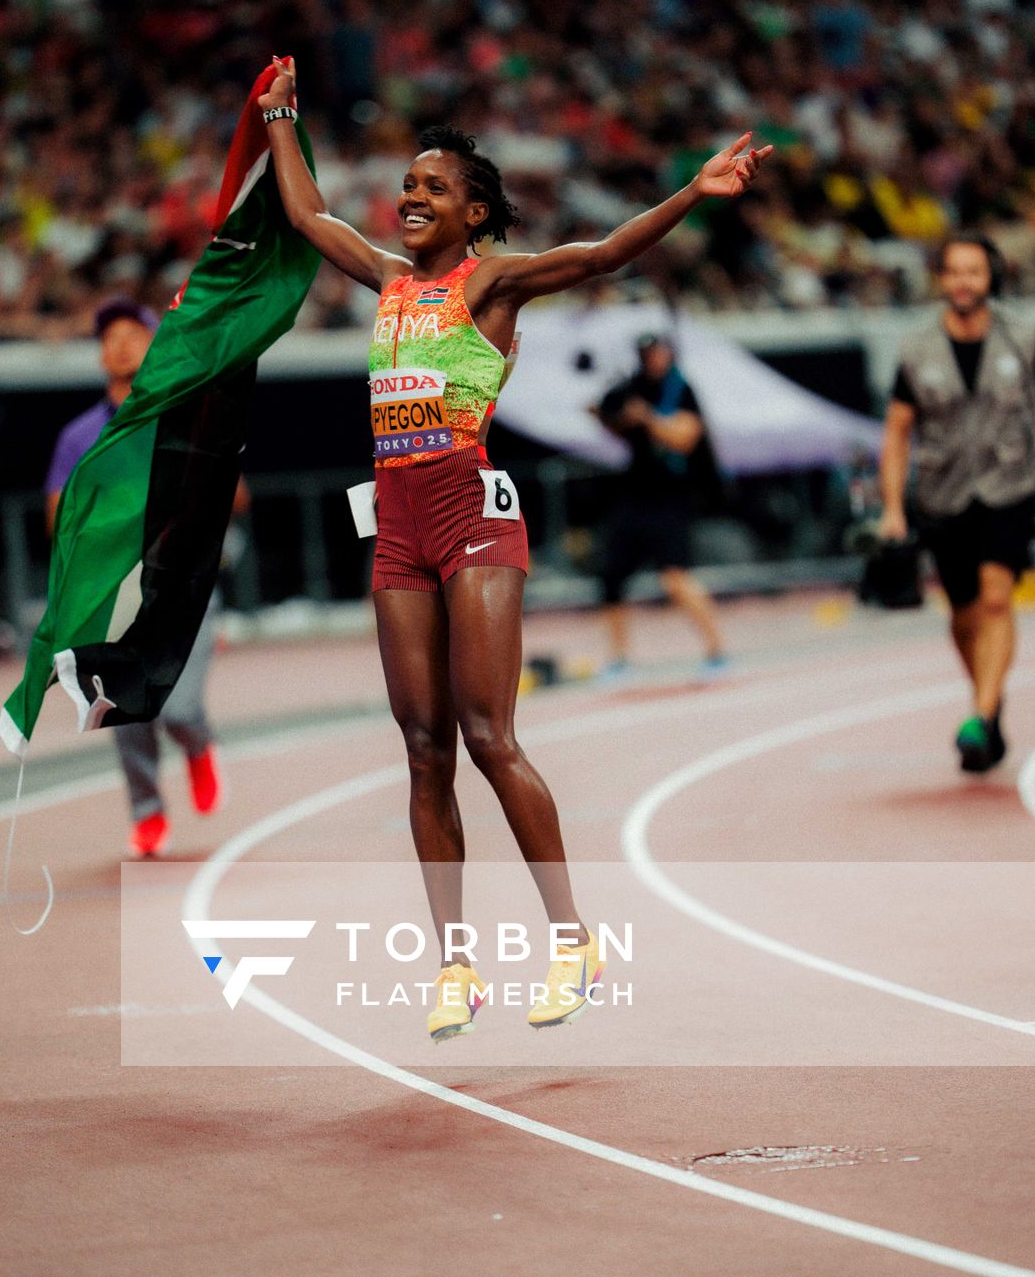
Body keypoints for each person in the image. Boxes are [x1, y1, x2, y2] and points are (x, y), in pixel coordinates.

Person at [258, 56, 770, 1040]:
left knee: (488, 737)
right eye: (407, 185)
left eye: (433, 189)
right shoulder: (388, 277)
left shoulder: (493, 282)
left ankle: (571, 940)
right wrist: (281, 116)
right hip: (398, 527)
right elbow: (307, 217)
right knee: (420, 750)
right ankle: (454, 967)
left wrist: (692, 193)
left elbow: (604, 252)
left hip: (470, 514)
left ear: (476, 216)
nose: (410, 198)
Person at [879, 234, 1035, 772]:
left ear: (991, 276)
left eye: (975, 271)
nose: (965, 281)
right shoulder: (917, 350)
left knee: (997, 599)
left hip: (1010, 484)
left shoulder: (1022, 337)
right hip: (943, 493)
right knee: (964, 612)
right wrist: (893, 508)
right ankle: (987, 703)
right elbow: (897, 432)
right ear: (942, 279)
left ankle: (982, 714)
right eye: (954, 271)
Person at [45, 297, 225, 856]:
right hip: (116, 591)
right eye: (109, 337)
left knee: (178, 704)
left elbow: (232, 497)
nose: (120, 344)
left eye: (134, 333)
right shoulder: (78, 436)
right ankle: (147, 811)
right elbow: (57, 515)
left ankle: (197, 745)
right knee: (123, 706)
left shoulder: (187, 414)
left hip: (183, 585)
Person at [595, 333, 727, 680]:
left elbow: (684, 438)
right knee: (610, 576)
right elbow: (613, 418)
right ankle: (618, 659)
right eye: (646, 354)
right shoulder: (633, 385)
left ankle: (717, 650)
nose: (652, 359)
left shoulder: (682, 389)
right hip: (635, 490)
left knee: (675, 577)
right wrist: (610, 417)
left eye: (657, 352)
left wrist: (647, 417)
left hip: (671, 493)